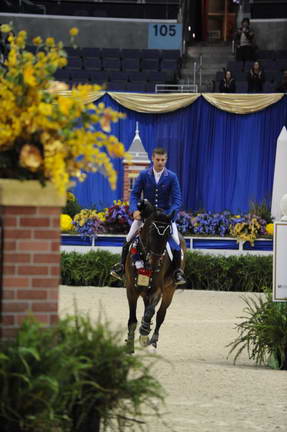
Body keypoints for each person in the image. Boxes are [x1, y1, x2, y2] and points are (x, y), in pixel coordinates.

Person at [110, 147, 186, 285]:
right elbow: (134, 194)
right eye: (158, 159)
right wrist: (134, 210)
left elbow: (177, 200)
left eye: (163, 160)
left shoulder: (172, 177)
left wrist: (169, 214)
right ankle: (121, 267)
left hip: (164, 218)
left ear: (166, 160)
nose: (160, 162)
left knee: (175, 242)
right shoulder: (144, 175)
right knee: (129, 238)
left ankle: (177, 272)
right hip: (146, 215)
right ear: (153, 159)